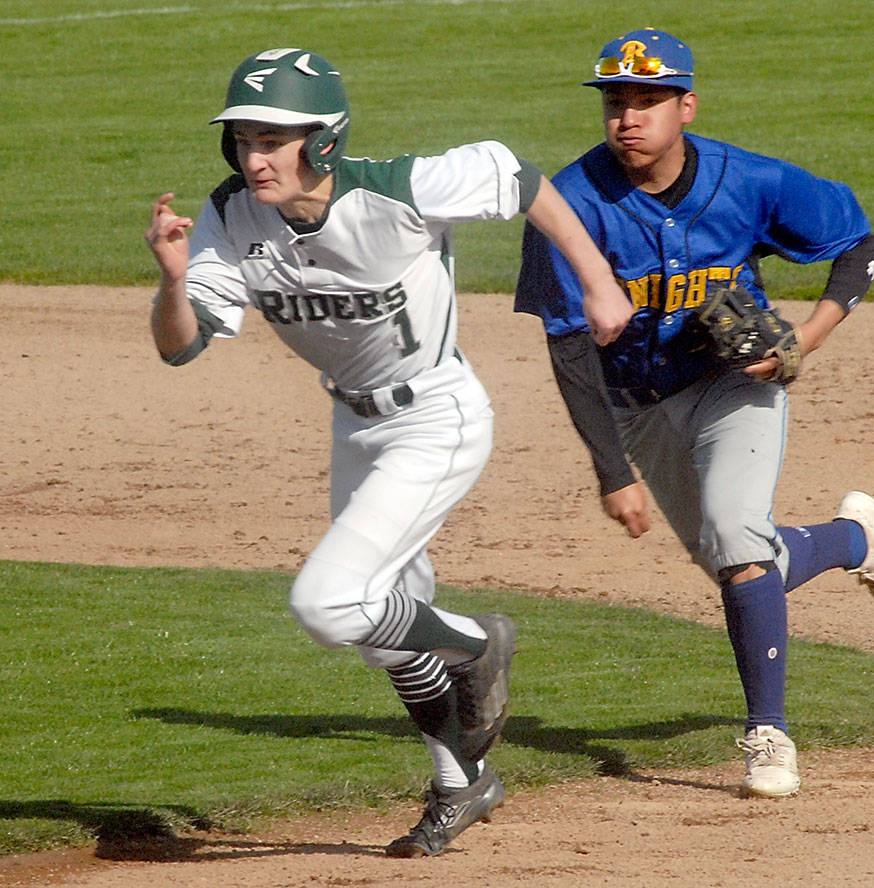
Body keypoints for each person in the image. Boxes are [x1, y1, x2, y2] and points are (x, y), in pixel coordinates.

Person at [145, 47, 632, 855]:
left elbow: (519, 177)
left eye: (274, 139)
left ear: (324, 140)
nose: (254, 157)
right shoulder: (233, 215)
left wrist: (597, 279)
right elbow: (180, 348)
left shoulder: (398, 188)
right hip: (354, 427)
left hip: (436, 418)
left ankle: (481, 644)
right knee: (380, 630)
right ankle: (462, 782)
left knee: (327, 604)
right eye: (243, 140)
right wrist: (170, 281)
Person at [514, 28, 874, 798]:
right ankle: (853, 539)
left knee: (738, 544)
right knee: (738, 567)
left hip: (732, 388)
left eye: (647, 100)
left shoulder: (750, 181)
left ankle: (768, 735)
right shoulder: (569, 205)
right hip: (635, 405)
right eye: (615, 101)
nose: (627, 117)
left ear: (686, 106)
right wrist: (614, 470)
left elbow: (858, 244)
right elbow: (569, 350)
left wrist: (807, 334)